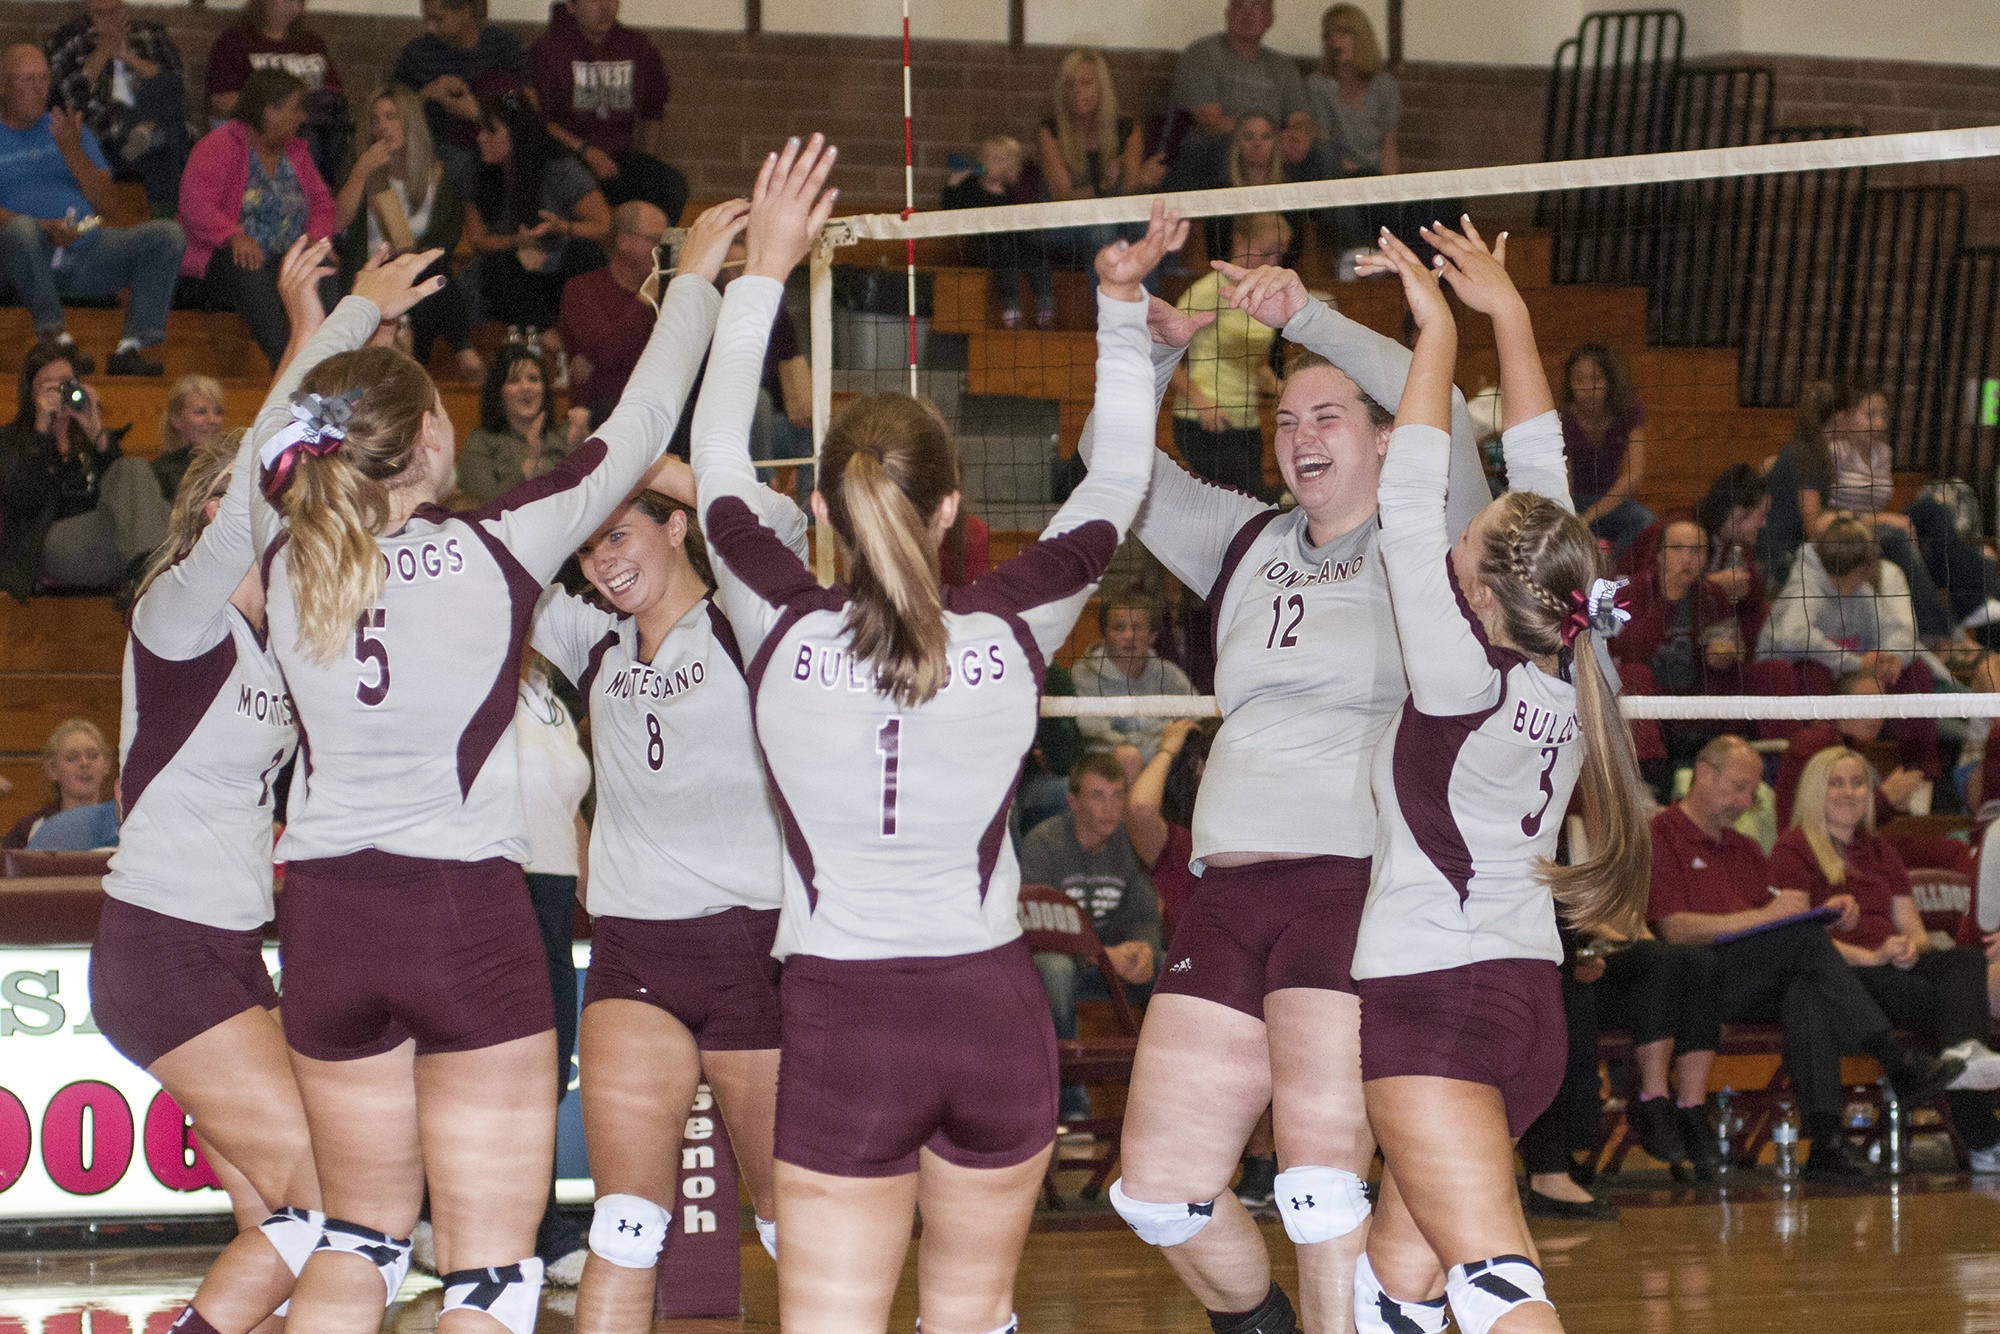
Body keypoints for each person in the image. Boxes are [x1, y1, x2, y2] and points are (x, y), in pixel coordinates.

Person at [219, 179, 743, 1334]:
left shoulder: (288, 545)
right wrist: (696, 275)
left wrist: (347, 316)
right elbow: (642, 419)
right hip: (461, 909)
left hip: (325, 913)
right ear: (430, 441)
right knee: (492, 1276)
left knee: (355, 1241)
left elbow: (273, 441)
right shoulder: (500, 544)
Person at [689, 136, 1172, 1334]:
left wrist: (766, 271)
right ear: (952, 506)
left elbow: (708, 466)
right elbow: (1113, 491)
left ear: (816, 504)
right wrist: (1115, 313)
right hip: (991, 1014)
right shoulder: (1010, 627)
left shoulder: (777, 621)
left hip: (844, 1024)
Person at [1091, 204, 1487, 1334]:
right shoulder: (1244, 538)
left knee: (1317, 1182)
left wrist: (1304, 315)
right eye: (1283, 418)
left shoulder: (1425, 529)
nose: (1298, 432)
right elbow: (1105, 467)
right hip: (1226, 889)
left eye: (1326, 414)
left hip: (1353, 881)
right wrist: (1150, 349)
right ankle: (1262, 1322)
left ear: (1376, 436)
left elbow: (1450, 414)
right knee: (1155, 1188)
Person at [1341, 219, 1650, 1334]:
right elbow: (1539, 479)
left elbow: (1406, 492)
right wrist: (1508, 316)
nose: (1455, 539)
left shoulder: (1454, 675)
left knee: (1495, 1286)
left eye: (1469, 543)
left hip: (1435, 1003)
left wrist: (1431, 331)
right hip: (1521, 1006)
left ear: (1476, 589)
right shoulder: (1576, 659)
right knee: (1392, 1289)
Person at [91, 281, 334, 1333]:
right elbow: (259, 479)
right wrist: (322, 338)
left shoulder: (280, 641)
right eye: (262, 503)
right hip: (164, 942)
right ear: (214, 515)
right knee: (339, 1201)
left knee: (282, 1220)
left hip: (228, 947)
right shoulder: (178, 614)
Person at [533, 447, 805, 1321]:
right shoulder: (592, 641)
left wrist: (655, 454)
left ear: (678, 526)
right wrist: (586, 473)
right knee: (624, 1227)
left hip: (751, 949)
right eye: (588, 548)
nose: (603, 561)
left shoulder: (747, 620)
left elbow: (776, 523)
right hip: (633, 951)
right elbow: (493, 563)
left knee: (794, 1222)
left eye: (620, 533)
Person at [1650, 735, 1965, 1178]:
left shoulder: (1746, 849)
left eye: (1752, 793)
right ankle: (1896, 1062)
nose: (1745, 802)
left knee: (1807, 989)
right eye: (1738, 789)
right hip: (1698, 984)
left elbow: (1778, 921)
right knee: (1803, 944)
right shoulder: (1661, 834)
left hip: (1753, 979)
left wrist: (1828, 914)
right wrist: (1767, 916)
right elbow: (1675, 930)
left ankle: (1826, 1144)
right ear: (1703, 775)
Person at [1771, 746, 2000, 1171]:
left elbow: (1913, 928)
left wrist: (1909, 945)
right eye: (1836, 783)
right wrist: (1871, 955)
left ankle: (1965, 1053)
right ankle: (1980, 1132)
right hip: (1844, 976)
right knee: (1954, 1006)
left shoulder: (1879, 850)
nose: (1849, 792)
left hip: (1892, 967)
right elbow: (1794, 940)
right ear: (1814, 791)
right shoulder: (1794, 849)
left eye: (1858, 782)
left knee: (1964, 962)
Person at [0, 44, 181, 378]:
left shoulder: (69, 130)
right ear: (2, 86)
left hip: (86, 249)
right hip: (20, 256)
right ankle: (58, 339)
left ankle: (130, 349)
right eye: (27, 79)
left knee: (166, 234)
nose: (39, 88)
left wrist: (72, 153)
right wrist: (42, 227)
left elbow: (108, 206)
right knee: (20, 230)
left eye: (44, 79)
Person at [1020, 751, 1165, 1124]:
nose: (1110, 808)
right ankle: (1069, 1102)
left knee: (1175, 967)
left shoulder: (1127, 843)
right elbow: (1039, 928)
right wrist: (1103, 956)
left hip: (1114, 966)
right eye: (1097, 796)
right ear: (1072, 801)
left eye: (1118, 795)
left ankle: (1172, 1098)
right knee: (1052, 968)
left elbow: (1143, 911)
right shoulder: (1043, 843)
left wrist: (1145, 947)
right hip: (1068, 963)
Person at [511, 650, 592, 1273]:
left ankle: (536, 1217)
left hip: (554, 895)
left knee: (549, 1062)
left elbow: (567, 809)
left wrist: (609, 901)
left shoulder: (548, 696)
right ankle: (524, 1226)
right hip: (500, 885)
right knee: (511, 1068)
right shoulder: (472, 670)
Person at [1756, 516, 1941, 780]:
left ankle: (1919, 777)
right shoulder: (1805, 585)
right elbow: (1791, 637)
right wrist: (1855, 662)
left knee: (1915, 671)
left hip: (1849, 681)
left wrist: (1889, 657)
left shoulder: (1861, 591)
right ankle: (1816, 771)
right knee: (1814, 670)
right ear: (1862, 567)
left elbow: (1900, 634)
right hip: (1806, 684)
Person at [179, 68, 338, 371]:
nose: (302, 117)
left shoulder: (296, 152)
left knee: (321, 264)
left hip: (288, 254)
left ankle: (330, 358)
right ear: (270, 110)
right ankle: (284, 361)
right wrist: (232, 234)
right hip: (230, 255)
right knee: (248, 263)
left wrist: (317, 238)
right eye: (295, 109)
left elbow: (321, 203)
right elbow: (195, 204)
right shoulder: (219, 145)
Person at [0, 340, 170, 600]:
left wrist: (96, 431)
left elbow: (126, 492)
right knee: (161, 519)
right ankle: (160, 585)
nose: (60, 392)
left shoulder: (92, 438)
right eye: (50, 386)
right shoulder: (11, 441)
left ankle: (147, 580)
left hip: (106, 543)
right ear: (31, 394)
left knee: (135, 470)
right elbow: (23, 501)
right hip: (51, 544)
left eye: (66, 383)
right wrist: (42, 432)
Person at [335, 85, 479, 381]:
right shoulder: (359, 168)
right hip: (372, 274)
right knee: (425, 281)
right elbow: (338, 223)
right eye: (375, 119)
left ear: (410, 122)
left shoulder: (440, 175)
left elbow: (447, 239)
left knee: (433, 274)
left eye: (390, 117)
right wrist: (361, 171)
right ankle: (460, 350)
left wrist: (409, 258)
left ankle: (416, 349)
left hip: (420, 273)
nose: (381, 127)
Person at [464, 90, 611, 348]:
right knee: (493, 267)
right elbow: (478, 240)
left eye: (490, 131)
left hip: (559, 265)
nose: (480, 138)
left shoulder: (558, 167)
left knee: (586, 254)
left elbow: (603, 225)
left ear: (516, 133)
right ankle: (546, 338)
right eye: (480, 130)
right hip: (518, 270)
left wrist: (562, 227)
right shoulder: (479, 175)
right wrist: (516, 241)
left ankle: (581, 342)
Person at [529, 0, 686, 221]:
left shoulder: (637, 46)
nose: (605, 8)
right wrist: (585, 151)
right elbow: (542, 121)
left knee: (669, 183)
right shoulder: (549, 50)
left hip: (620, 158)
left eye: (612, 0)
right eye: (594, 1)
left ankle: (654, 248)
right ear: (572, 7)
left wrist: (645, 156)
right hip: (570, 157)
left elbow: (653, 109)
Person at [1170, 212, 1289, 498]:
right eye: (1266, 253)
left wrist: (1285, 390)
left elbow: (1254, 365)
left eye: (1280, 255)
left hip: (1248, 424)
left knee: (1248, 508)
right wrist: (1200, 402)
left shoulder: (1265, 299)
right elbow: (1161, 357)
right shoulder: (1207, 292)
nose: (1273, 264)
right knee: (1255, 497)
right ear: (1239, 243)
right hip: (1204, 422)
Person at [43, 0, 187, 213]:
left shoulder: (151, 34)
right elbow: (68, 99)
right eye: (100, 14)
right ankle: (167, 219)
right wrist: (104, 49)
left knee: (168, 121)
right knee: (168, 137)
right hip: (107, 136)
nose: (108, 20)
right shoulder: (67, 40)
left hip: (147, 128)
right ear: (88, 8)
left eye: (114, 12)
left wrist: (128, 57)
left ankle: (145, 129)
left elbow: (174, 85)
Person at [1036, 49, 1164, 271]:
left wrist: (1142, 180)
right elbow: (1062, 196)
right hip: (1064, 222)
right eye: (1069, 84)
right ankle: (1109, 302)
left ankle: (1146, 304)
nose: (1077, 91)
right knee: (1103, 230)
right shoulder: (1049, 132)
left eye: (1086, 82)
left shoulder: (1128, 129)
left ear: (1102, 87)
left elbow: (1129, 190)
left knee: (1147, 228)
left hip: (1116, 216)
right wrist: (1104, 185)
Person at [205, 0, 350, 187]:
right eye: (289, 1)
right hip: (265, 124)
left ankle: (319, 194)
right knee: (303, 137)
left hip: (313, 118)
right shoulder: (236, 41)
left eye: (300, 3)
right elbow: (222, 99)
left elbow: (334, 90)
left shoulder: (311, 43)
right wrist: (275, 102)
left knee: (335, 131)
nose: (295, 8)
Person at [1170, 0, 1318, 166]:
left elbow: (1301, 117)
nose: (1248, 14)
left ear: (1269, 20)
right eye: (1240, 5)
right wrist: (1268, 140)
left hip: (1275, 148)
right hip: (1214, 149)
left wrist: (1298, 137)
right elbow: (1210, 121)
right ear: (1228, 14)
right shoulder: (1203, 54)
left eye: (1257, 7)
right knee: (1229, 145)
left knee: (1322, 152)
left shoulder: (1282, 66)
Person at [1072, 582, 1197, 777]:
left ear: (1152, 636)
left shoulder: (1168, 673)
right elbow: (1095, 735)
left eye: (1138, 628)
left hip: (1164, 761)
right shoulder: (1084, 674)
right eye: (1119, 628)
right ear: (1104, 634)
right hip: (1105, 768)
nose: (1129, 636)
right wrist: (1162, 744)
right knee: (1129, 756)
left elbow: (1196, 720)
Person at [391, 0, 529, 169]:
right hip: (438, 146)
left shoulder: (502, 47)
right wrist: (426, 93)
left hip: (495, 145)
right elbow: (392, 109)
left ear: (465, 11)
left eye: (438, 19)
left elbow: (527, 106)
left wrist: (478, 113)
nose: (430, 27)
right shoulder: (417, 53)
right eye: (426, 18)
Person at [557, 199, 664, 412]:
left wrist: (594, 357)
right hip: (598, 419)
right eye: (655, 240)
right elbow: (608, 350)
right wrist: (645, 298)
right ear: (623, 242)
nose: (663, 250)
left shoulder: (670, 296)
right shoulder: (582, 290)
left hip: (657, 416)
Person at [940, 136, 1053, 330]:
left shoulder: (1013, 192)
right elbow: (950, 208)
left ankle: (1045, 310)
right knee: (1007, 265)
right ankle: (1011, 314)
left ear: (1010, 166)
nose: (990, 163)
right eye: (987, 157)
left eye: (998, 159)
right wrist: (954, 183)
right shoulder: (971, 188)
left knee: (1036, 261)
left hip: (1013, 246)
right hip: (983, 248)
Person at [1558, 342, 1654, 557]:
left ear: (1610, 381)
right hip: (1574, 502)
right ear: (1569, 383)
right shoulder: (1564, 421)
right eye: (1578, 379)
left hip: (1610, 502)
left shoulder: (1628, 410)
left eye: (1596, 379)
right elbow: (1565, 486)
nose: (1587, 388)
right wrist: (1574, 521)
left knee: (1646, 522)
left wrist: (1588, 518)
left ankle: (1615, 577)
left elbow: (1633, 477)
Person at [459, 346, 574, 501]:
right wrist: (529, 465)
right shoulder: (480, 442)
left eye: (533, 379)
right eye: (514, 380)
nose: (526, 387)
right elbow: (480, 508)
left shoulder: (565, 435)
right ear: (498, 392)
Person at [1305, 5, 1398, 178]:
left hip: (1374, 176)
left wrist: (1389, 189)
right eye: (1328, 35)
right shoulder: (1318, 85)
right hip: (1336, 175)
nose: (1335, 42)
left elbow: (1388, 145)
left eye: (1342, 34)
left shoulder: (1384, 85)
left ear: (1361, 37)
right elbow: (1323, 141)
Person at [4, 717, 110, 848]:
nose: (85, 763)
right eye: (72, 757)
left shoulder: (125, 826)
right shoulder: (27, 831)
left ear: (106, 765)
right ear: (52, 770)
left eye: (93, 756)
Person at [154, 374, 227, 502]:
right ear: (176, 420)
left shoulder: (233, 466)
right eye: (201, 412)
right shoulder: (158, 474)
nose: (212, 420)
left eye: (218, 412)